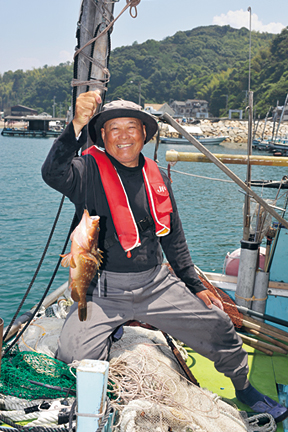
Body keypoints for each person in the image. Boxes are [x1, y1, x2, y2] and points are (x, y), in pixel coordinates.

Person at [42, 90, 288, 423]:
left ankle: (244, 388)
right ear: (102, 136)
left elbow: (174, 237)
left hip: (156, 284)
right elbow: (52, 173)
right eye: (114, 129)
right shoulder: (87, 171)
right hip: (103, 290)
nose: (124, 136)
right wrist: (75, 125)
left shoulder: (157, 177)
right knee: (72, 354)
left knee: (219, 326)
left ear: (144, 134)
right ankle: (110, 327)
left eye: (132, 127)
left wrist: (193, 283)